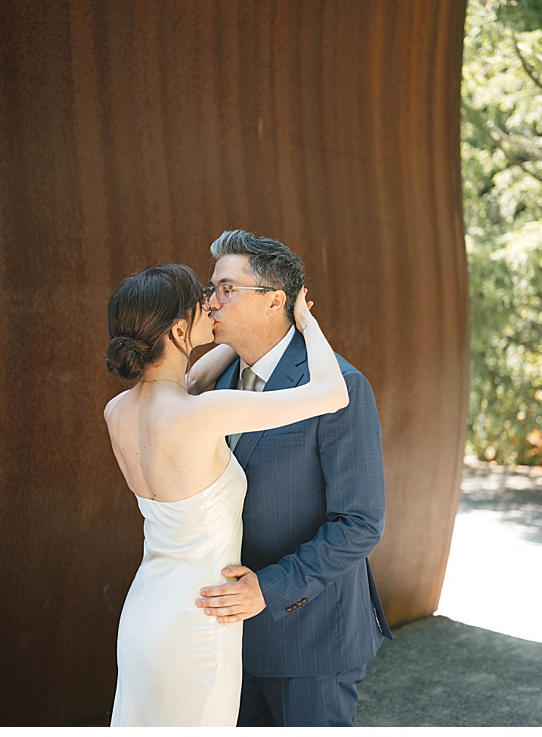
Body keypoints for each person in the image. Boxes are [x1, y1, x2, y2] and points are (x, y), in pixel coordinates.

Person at [103, 262, 349, 727]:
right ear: (179, 330)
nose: (212, 304)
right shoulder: (204, 413)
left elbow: (186, 379)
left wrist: (231, 340)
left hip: (145, 613)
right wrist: (304, 321)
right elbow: (331, 393)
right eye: (202, 300)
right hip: (199, 618)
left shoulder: (118, 410)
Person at [196, 229, 392, 727]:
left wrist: (267, 588)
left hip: (310, 635)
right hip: (225, 635)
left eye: (225, 288)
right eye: (211, 287)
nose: (210, 300)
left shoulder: (340, 387)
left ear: (275, 301)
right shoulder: (214, 379)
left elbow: (360, 522)